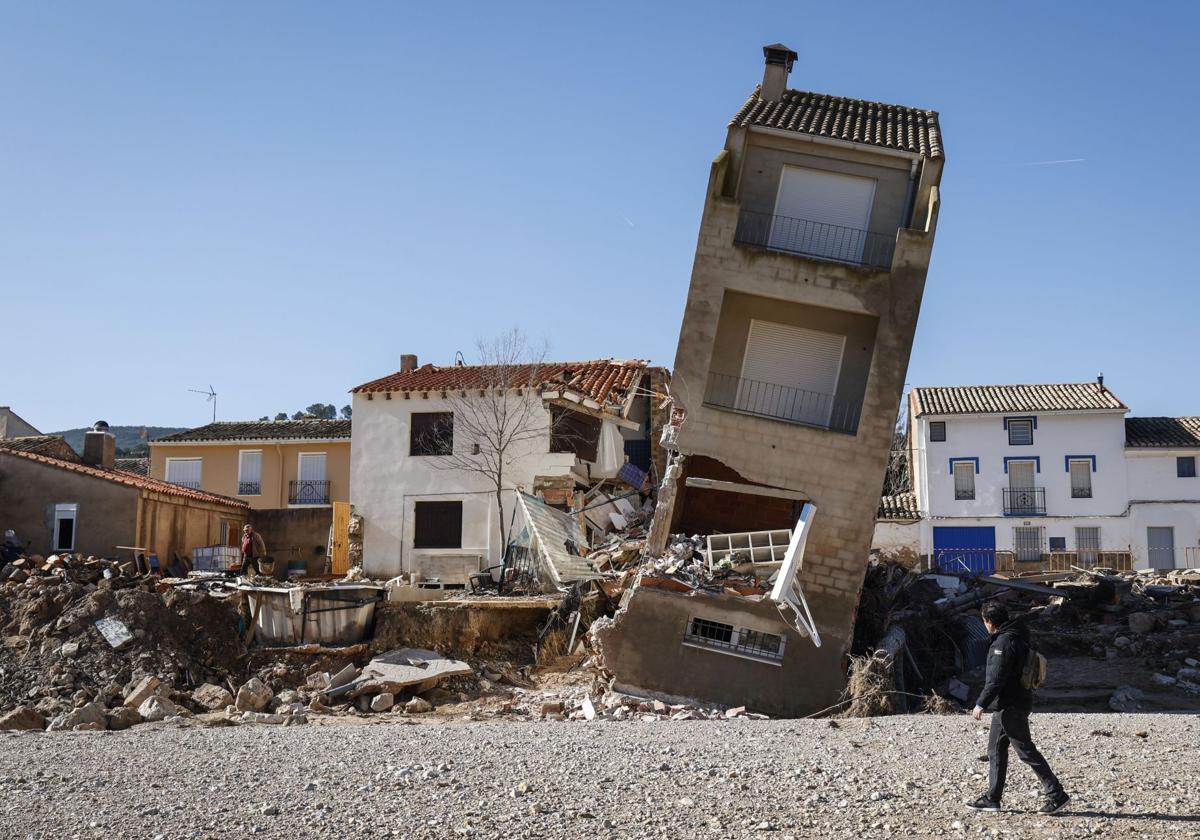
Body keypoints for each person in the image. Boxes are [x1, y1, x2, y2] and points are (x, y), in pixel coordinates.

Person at [966, 601, 1069, 815]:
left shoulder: (1002, 643)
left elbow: (996, 679)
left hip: (1010, 704)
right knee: (995, 749)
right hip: (1014, 702)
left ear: (990, 622)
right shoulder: (1019, 635)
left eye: (985, 621)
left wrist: (980, 704)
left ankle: (1057, 795)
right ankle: (992, 798)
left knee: (1025, 750)